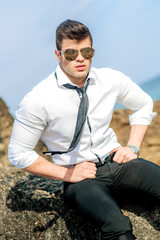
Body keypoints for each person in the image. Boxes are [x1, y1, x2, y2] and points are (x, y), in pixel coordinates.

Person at [8, 19, 160, 240]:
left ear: (92, 51)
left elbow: (144, 103)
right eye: (70, 53)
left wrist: (133, 146)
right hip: (82, 181)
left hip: (119, 163)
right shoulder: (38, 99)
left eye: (86, 51)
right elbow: (18, 153)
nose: (80, 58)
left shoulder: (109, 79)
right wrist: (68, 174)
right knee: (118, 228)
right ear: (58, 54)